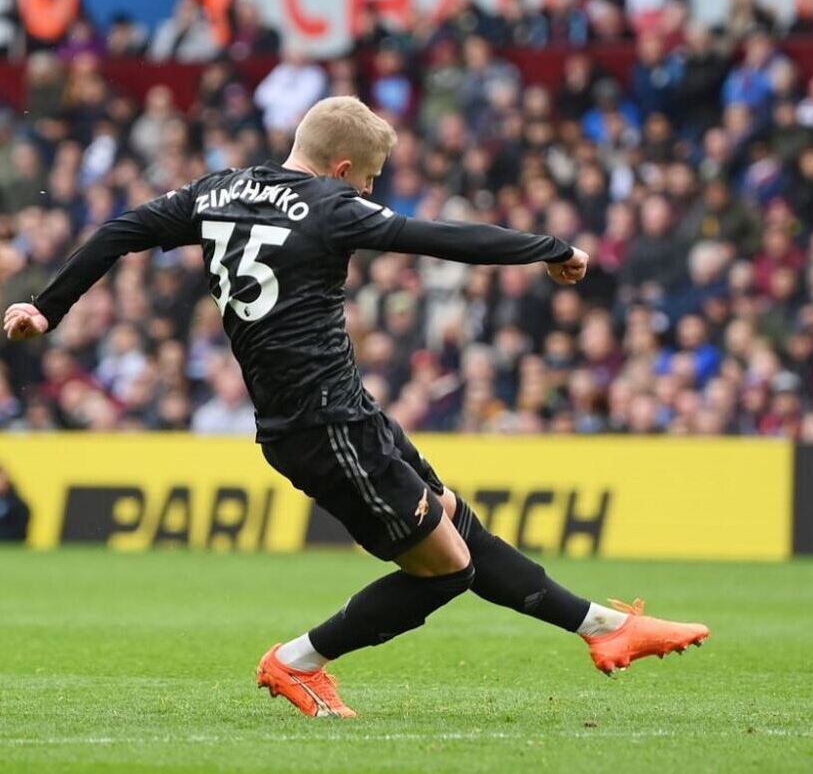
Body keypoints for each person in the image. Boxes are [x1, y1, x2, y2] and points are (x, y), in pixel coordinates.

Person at [3, 96, 709, 718]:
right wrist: (551, 248)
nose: (372, 192)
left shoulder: (219, 191)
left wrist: (46, 305)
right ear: (343, 169)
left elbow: (123, 229)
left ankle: (602, 625)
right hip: (322, 425)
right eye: (369, 179)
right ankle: (298, 660)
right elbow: (437, 237)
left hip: (346, 414)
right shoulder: (331, 205)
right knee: (449, 568)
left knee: (455, 518)